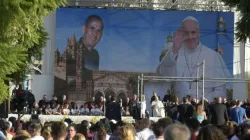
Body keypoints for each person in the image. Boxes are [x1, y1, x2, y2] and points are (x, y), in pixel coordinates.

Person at [157, 16, 231, 102]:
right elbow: (163, 73)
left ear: (198, 32)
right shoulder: (174, 52)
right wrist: (175, 49)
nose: (190, 37)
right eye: (186, 33)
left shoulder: (213, 56)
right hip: (181, 108)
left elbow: (220, 90)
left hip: (205, 108)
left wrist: (202, 102)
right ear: (181, 33)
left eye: (193, 32)